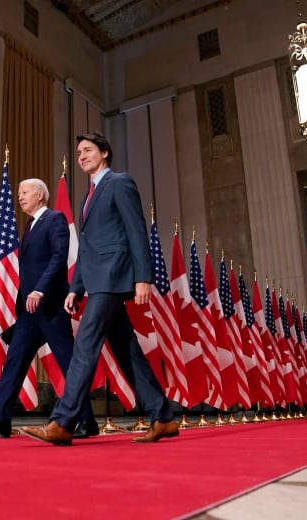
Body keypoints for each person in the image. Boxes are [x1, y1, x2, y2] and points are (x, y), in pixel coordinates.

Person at [21, 132, 179, 446]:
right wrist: (75, 287)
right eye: (79, 152)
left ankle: (64, 421)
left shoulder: (120, 182)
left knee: (86, 343)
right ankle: (162, 416)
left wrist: (142, 277)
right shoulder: (86, 198)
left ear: (104, 153)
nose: (81, 156)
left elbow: (136, 229)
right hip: (95, 280)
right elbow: (89, 248)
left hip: (115, 277)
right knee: (126, 349)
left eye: (88, 150)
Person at [0, 178, 98, 439]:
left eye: (25, 192)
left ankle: (87, 420)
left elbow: (58, 257)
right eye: (19, 193)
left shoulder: (55, 219)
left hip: (50, 306)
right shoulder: (29, 226)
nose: (20, 197)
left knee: (68, 362)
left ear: (40, 195)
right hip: (29, 312)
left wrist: (40, 289)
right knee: (14, 361)